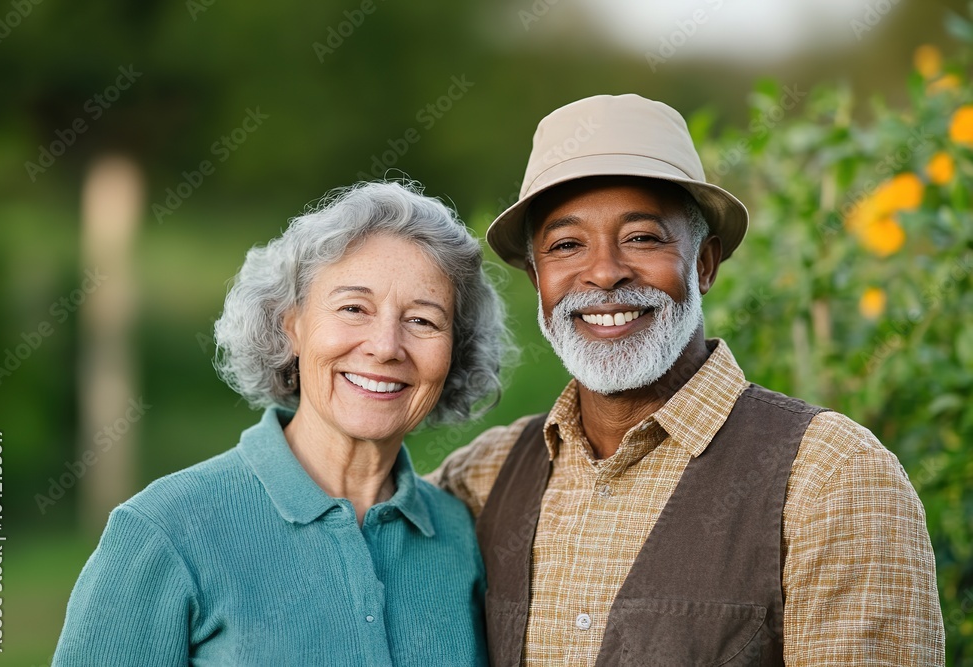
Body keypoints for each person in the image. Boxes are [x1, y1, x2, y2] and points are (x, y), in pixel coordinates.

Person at [430, 94, 946, 665]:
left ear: (704, 265)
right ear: (537, 280)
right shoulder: (483, 476)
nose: (603, 272)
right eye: (567, 245)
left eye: (643, 237)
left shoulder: (832, 476)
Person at [54, 181, 506, 666]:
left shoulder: (463, 537)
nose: (385, 346)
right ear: (291, 325)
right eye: (354, 308)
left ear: (454, 351)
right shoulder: (164, 532)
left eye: (422, 320)